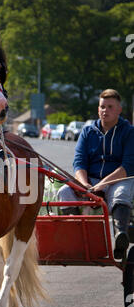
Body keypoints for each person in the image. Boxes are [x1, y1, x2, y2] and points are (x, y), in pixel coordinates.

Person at [58, 89, 134, 259]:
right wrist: (85, 185)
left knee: (121, 193)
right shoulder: (87, 131)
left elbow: (128, 166)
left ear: (119, 110)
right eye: (102, 107)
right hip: (90, 180)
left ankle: (120, 236)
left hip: (119, 179)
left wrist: (102, 185)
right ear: (98, 109)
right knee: (64, 192)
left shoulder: (129, 132)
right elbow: (79, 162)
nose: (105, 110)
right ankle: (75, 237)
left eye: (110, 107)